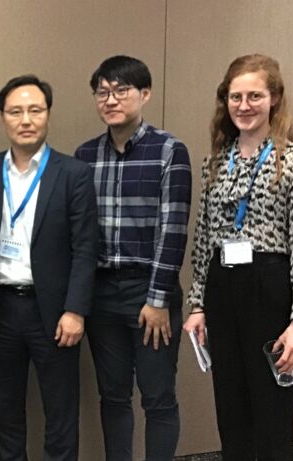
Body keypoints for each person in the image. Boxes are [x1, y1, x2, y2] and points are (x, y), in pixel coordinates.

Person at [183, 54, 293, 460]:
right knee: (231, 409)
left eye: (254, 96)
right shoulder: (215, 162)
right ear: (224, 102)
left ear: (275, 99)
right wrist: (197, 303)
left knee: (272, 411)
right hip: (222, 285)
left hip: (270, 287)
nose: (243, 105)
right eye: (235, 97)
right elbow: (204, 238)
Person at [0, 74, 98, 460]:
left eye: (34, 110)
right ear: (3, 117)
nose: (25, 119)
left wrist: (75, 309)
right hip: (1, 308)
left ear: (48, 115)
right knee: (5, 410)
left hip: (55, 311)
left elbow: (86, 247)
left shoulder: (73, 173)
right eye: (15, 111)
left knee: (60, 411)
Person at [74, 55, 192, 461]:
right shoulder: (85, 156)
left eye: (121, 90)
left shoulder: (169, 151)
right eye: (102, 91)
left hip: (150, 291)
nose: (110, 99)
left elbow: (173, 229)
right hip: (103, 293)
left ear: (145, 94)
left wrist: (158, 300)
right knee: (113, 395)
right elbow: (81, 231)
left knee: (158, 397)